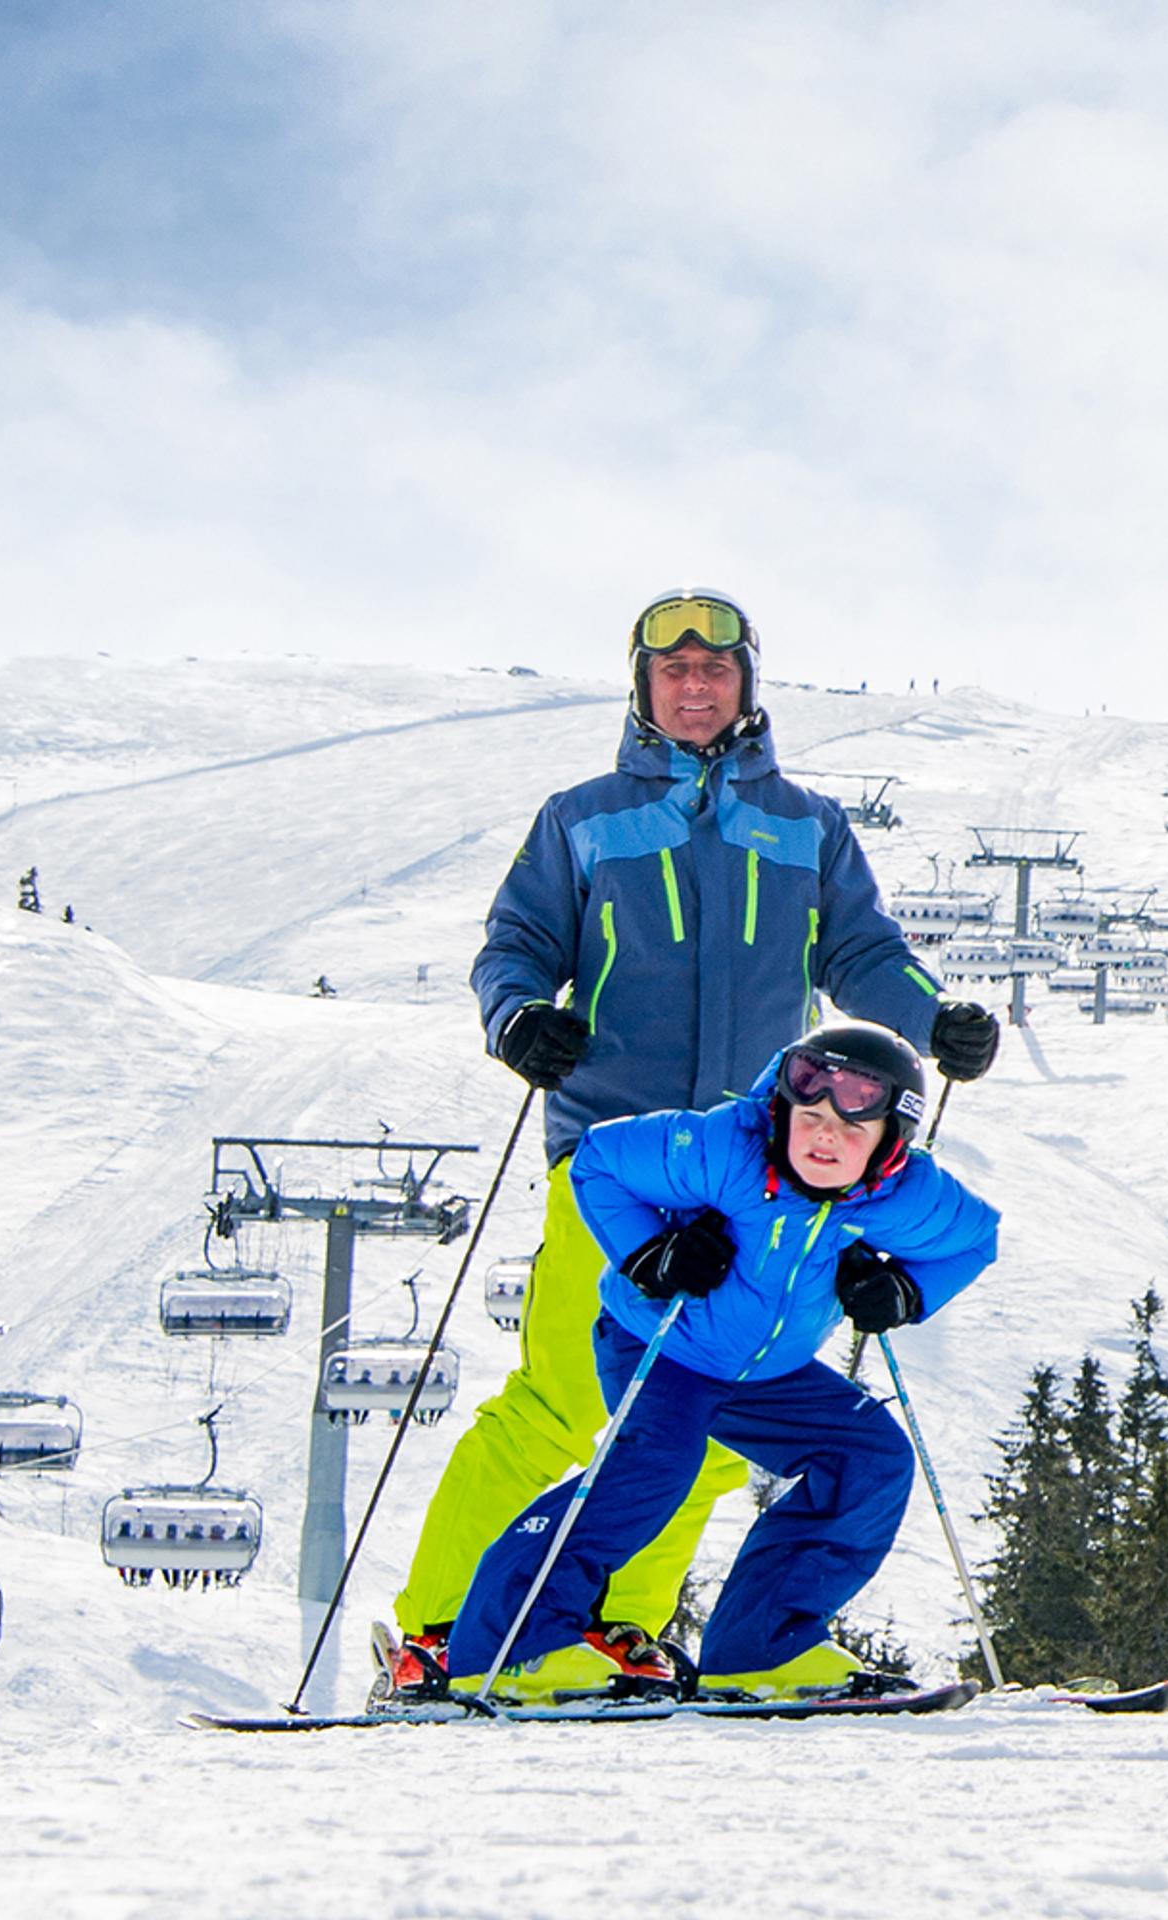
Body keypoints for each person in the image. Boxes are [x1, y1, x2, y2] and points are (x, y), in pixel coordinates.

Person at [382, 589, 1001, 1704]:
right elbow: (514, 943)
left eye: (716, 669)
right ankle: (442, 1626)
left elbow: (863, 952)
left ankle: (612, 1625)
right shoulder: (582, 815)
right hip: (615, 1150)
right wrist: (519, 1015)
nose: (696, 685)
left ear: (747, 685)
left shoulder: (808, 825)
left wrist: (930, 1021)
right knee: (568, 1399)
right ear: (642, 686)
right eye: (672, 670)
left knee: (709, 1419)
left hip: (765, 1161)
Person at [451, 1023, 1000, 1701]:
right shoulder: (721, 1149)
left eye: (851, 1129)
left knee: (870, 1457)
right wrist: (650, 1255)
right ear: (781, 1109)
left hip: (767, 1373)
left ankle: (759, 1651)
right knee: (656, 1464)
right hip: (664, 1341)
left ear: (891, 1140)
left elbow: (977, 1239)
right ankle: (512, 1648)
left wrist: (905, 1290)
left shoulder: (906, 1195)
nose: (824, 1137)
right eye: (810, 1116)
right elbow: (597, 1162)